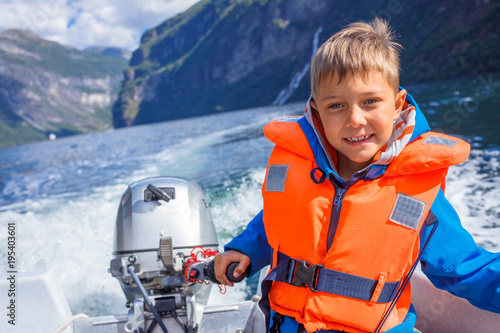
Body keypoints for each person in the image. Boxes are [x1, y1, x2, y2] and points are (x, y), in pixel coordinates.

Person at [214, 18, 500, 333]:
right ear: (316, 113)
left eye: (370, 102)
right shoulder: (300, 170)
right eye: (336, 105)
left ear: (397, 105)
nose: (354, 119)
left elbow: (466, 269)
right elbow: (279, 218)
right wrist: (245, 248)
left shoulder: (421, 197)